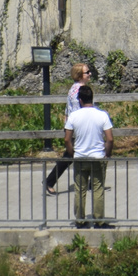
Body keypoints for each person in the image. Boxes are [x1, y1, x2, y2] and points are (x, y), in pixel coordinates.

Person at [63, 84, 114, 229]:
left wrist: (73, 154)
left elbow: (67, 139)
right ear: (92, 98)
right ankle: (99, 220)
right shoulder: (102, 115)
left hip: (80, 157)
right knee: (98, 189)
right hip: (98, 157)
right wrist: (107, 154)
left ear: (79, 100)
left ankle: (80, 220)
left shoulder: (73, 116)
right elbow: (110, 139)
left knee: (80, 190)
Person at [45, 62, 93, 195]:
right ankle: (49, 181)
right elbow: (79, 112)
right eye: (87, 72)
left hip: (72, 127)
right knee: (72, 155)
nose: (89, 74)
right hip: (78, 128)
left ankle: (89, 182)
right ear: (79, 75)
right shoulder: (79, 90)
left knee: (81, 154)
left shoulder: (74, 88)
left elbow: (68, 109)